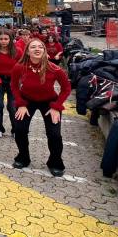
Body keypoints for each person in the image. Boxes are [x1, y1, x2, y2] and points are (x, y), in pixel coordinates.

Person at [11, 38, 72, 177]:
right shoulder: (19, 67)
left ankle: (55, 162)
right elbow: (14, 86)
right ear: (27, 51)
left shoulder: (54, 68)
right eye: (33, 47)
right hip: (27, 100)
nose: (37, 49)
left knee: (54, 134)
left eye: (40, 47)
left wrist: (57, 106)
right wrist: (20, 103)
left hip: (49, 102)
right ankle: (23, 157)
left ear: (44, 51)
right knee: (20, 130)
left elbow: (66, 88)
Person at [0, 30, 22, 138]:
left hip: (13, 80)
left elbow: (22, 66)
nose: (3, 41)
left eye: (6, 39)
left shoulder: (18, 51)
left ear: (10, 39)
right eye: (1, 39)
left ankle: (16, 129)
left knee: (12, 106)